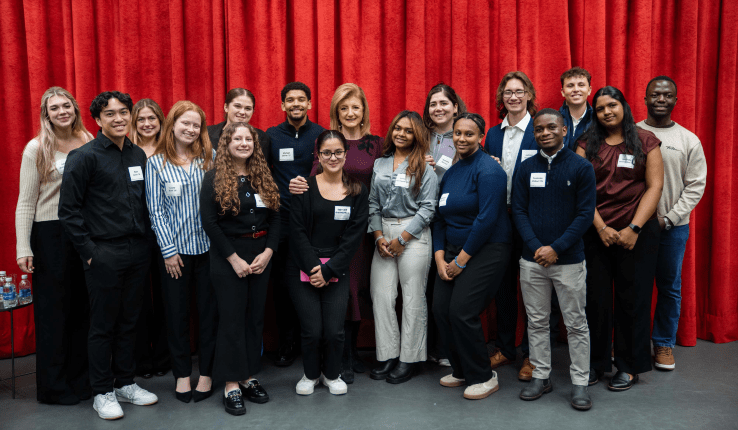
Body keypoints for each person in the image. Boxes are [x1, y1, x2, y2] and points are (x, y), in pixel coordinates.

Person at [59, 91, 158, 420]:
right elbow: (68, 212)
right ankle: (101, 390)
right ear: (98, 120)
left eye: (123, 112)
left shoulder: (137, 155)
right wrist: (89, 253)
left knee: (130, 321)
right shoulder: (83, 156)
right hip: (103, 253)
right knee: (102, 325)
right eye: (110, 114)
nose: (119, 118)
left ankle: (125, 383)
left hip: (137, 250)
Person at [288, 83, 383, 382]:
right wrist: (297, 185)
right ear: (336, 113)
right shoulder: (326, 142)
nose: (350, 112)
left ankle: (352, 352)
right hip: (329, 233)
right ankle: (339, 357)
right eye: (344, 108)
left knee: (356, 289)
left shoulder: (377, 144)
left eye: (356, 107)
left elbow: (398, 166)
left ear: (364, 110)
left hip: (361, 232)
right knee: (337, 287)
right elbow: (313, 180)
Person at [576, 86, 664, 391]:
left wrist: (634, 229)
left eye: (612, 105)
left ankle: (629, 365)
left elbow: (654, 186)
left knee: (634, 301)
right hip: (595, 231)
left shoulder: (645, 141)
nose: (606, 112)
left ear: (623, 106)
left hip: (637, 234)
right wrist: (601, 228)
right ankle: (595, 364)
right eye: (600, 108)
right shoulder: (586, 143)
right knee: (595, 302)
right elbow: (581, 192)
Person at [512, 109, 596, 410]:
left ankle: (580, 382)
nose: (545, 133)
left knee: (575, 324)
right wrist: (536, 247)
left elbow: (585, 215)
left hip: (569, 260)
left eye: (551, 127)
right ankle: (542, 376)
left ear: (564, 131)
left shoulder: (581, 168)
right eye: (539, 129)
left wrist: (556, 248)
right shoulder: (525, 168)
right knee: (536, 321)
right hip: (532, 260)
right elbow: (518, 211)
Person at [15, 87, 93, 405]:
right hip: (49, 235)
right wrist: (24, 247)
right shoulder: (37, 148)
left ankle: (82, 381)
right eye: (54, 108)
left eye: (66, 105)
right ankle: (54, 388)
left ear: (74, 108)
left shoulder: (88, 140)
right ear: (46, 114)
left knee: (82, 310)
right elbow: (25, 201)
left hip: (84, 233)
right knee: (53, 313)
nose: (62, 111)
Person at [200, 122, 280, 415]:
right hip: (227, 257)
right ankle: (231, 384)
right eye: (238, 138)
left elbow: (277, 219)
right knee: (232, 320)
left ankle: (248, 376)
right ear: (227, 143)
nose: (244, 143)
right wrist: (233, 258)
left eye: (249, 139)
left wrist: (269, 252)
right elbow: (209, 222)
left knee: (254, 319)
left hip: (261, 256)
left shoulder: (264, 176)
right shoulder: (213, 178)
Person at [434, 113, 511, 400]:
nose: (462, 139)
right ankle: (461, 369)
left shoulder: (489, 170)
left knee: (462, 311)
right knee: (442, 310)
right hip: (452, 252)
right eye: (457, 134)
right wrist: (441, 259)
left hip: (488, 249)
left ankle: (483, 375)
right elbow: (440, 218)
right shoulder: (452, 172)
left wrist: (460, 261)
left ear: (481, 137)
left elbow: (486, 219)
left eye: (469, 134)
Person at [145, 101, 218, 404]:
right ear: (172, 125)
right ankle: (181, 375)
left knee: (209, 316)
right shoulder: (156, 163)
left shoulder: (210, 158)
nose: (190, 129)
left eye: (196, 125)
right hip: (175, 255)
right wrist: (168, 250)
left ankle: (207, 373)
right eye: (184, 123)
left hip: (211, 251)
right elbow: (156, 211)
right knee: (176, 317)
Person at [288, 130, 369, 396]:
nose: (332, 157)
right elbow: (297, 231)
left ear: (346, 154)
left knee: (334, 331)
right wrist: (314, 268)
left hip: (338, 266)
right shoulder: (304, 187)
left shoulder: (357, 189)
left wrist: (329, 269)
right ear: (318, 155)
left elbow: (354, 237)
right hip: (304, 265)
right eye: (326, 153)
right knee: (312, 330)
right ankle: (311, 375)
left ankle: (331, 374)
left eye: (338, 152)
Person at [637, 76, 707, 371]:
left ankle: (663, 343)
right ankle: (634, 344)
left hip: (672, 228)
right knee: (634, 286)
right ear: (645, 99)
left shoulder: (688, 140)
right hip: (635, 227)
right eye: (655, 94)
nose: (661, 99)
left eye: (667, 95)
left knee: (669, 287)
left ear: (676, 100)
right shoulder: (632, 133)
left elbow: (695, 186)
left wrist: (669, 219)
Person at [368, 111, 437, 384]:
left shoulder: (425, 166)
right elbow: (372, 203)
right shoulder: (380, 164)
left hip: (414, 234)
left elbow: (429, 208)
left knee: (413, 298)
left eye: (408, 130)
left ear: (416, 135)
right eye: (397, 128)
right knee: (382, 296)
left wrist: (402, 239)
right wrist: (378, 237)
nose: (401, 134)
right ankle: (387, 355)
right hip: (383, 234)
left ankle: (409, 358)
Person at [484, 71, 539, 381]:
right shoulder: (493, 133)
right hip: (500, 218)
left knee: (533, 289)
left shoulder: (540, 128)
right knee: (503, 286)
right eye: (508, 92)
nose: (513, 97)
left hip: (531, 218)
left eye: (519, 91)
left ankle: (532, 354)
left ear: (528, 94)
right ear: (501, 98)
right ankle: (506, 348)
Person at [266, 82, 326, 367]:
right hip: (283, 220)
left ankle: (315, 341)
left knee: (316, 279)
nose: (296, 104)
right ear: (282, 105)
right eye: (290, 100)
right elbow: (262, 174)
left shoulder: (321, 135)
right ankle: (287, 342)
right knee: (283, 285)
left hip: (316, 220)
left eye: (301, 100)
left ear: (310, 104)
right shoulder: (272, 136)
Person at [421, 83, 467, 367]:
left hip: (452, 220)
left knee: (448, 285)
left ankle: (449, 349)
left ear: (455, 107)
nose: (438, 108)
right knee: (424, 289)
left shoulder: (464, 135)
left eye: (444, 103)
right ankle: (427, 348)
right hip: (420, 217)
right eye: (433, 104)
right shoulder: (421, 136)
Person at [130, 99, 170, 380]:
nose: (147, 124)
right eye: (141, 119)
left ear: (160, 121)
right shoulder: (128, 151)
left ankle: (164, 356)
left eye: (152, 118)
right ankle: (142, 359)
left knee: (169, 297)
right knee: (139, 299)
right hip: (137, 233)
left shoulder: (169, 151)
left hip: (167, 232)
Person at [207, 87, 272, 164]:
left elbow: (264, 170)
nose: (242, 112)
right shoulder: (207, 133)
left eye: (247, 108)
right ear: (226, 107)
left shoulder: (261, 137)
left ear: (253, 111)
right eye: (237, 106)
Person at [559, 67, 594, 149]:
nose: (576, 89)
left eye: (581, 85)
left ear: (589, 90)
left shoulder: (599, 120)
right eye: (570, 86)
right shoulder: (553, 120)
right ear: (562, 92)